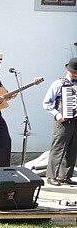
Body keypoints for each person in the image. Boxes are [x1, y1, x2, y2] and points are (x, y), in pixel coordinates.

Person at [42, 57, 77, 185]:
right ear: (69, 71)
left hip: (76, 121)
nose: (75, 74)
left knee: (72, 149)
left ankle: (65, 176)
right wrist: (56, 114)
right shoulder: (59, 83)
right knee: (58, 148)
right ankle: (51, 176)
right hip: (63, 121)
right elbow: (46, 103)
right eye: (74, 72)